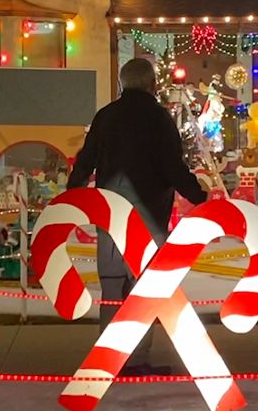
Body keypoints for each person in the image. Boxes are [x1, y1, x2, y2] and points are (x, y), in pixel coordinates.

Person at [68, 58, 209, 374]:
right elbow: (173, 167)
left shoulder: (105, 116)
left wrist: (71, 193)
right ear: (151, 84)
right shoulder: (159, 119)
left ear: (122, 84)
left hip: (110, 216)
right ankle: (137, 359)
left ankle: (108, 361)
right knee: (144, 290)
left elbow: (85, 159)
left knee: (112, 286)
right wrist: (198, 196)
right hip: (148, 218)